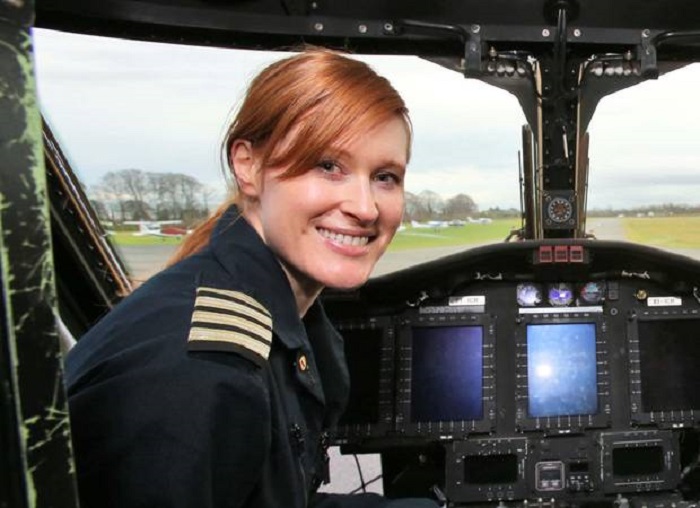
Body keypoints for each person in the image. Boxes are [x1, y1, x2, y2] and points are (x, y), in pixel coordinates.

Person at [65, 48, 439, 508]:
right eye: (328, 166)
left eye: (385, 177)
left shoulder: (276, 317)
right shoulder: (201, 372)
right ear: (248, 165)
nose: (365, 208)